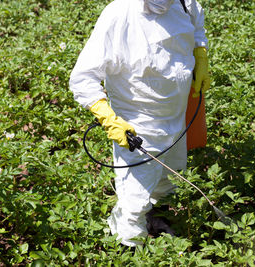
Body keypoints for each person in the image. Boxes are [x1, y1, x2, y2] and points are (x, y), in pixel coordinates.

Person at [69, 0, 209, 247]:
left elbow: (196, 27)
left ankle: (156, 218)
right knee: (135, 198)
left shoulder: (186, 4)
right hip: (137, 122)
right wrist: (108, 117)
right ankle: (128, 246)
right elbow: (82, 78)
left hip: (177, 112)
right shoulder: (119, 14)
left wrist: (200, 54)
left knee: (170, 179)